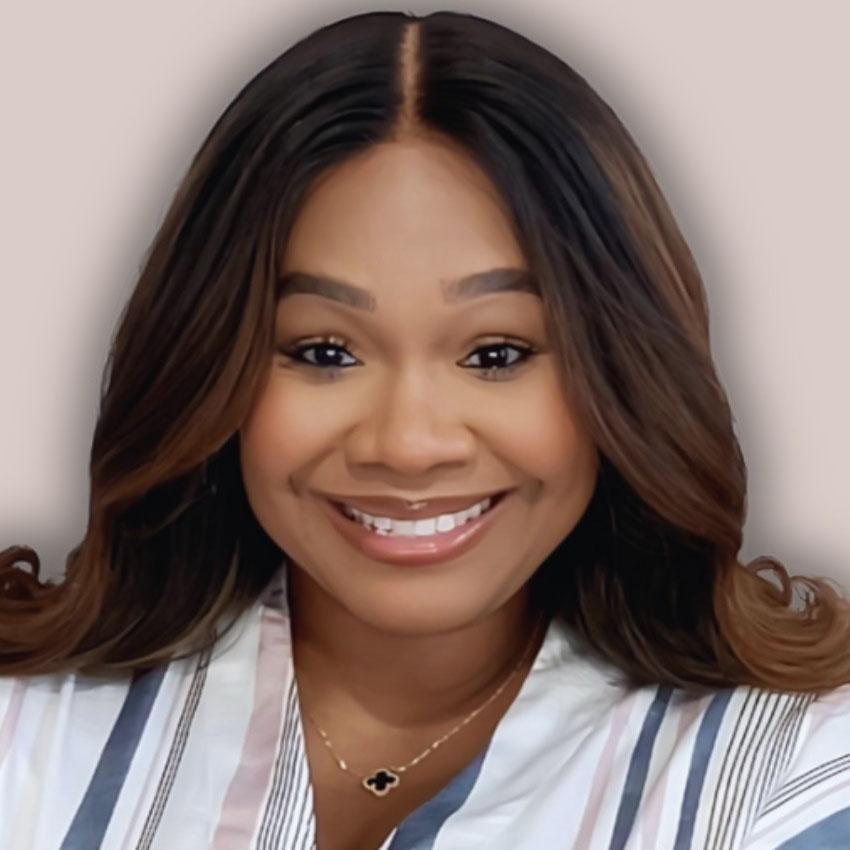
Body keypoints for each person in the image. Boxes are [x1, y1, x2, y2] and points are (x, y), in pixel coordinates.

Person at [1, 9, 849, 850]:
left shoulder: (795, 774)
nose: (408, 444)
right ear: (206, 365)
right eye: (326, 351)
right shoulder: (22, 737)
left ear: (625, 371)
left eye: (496, 353)